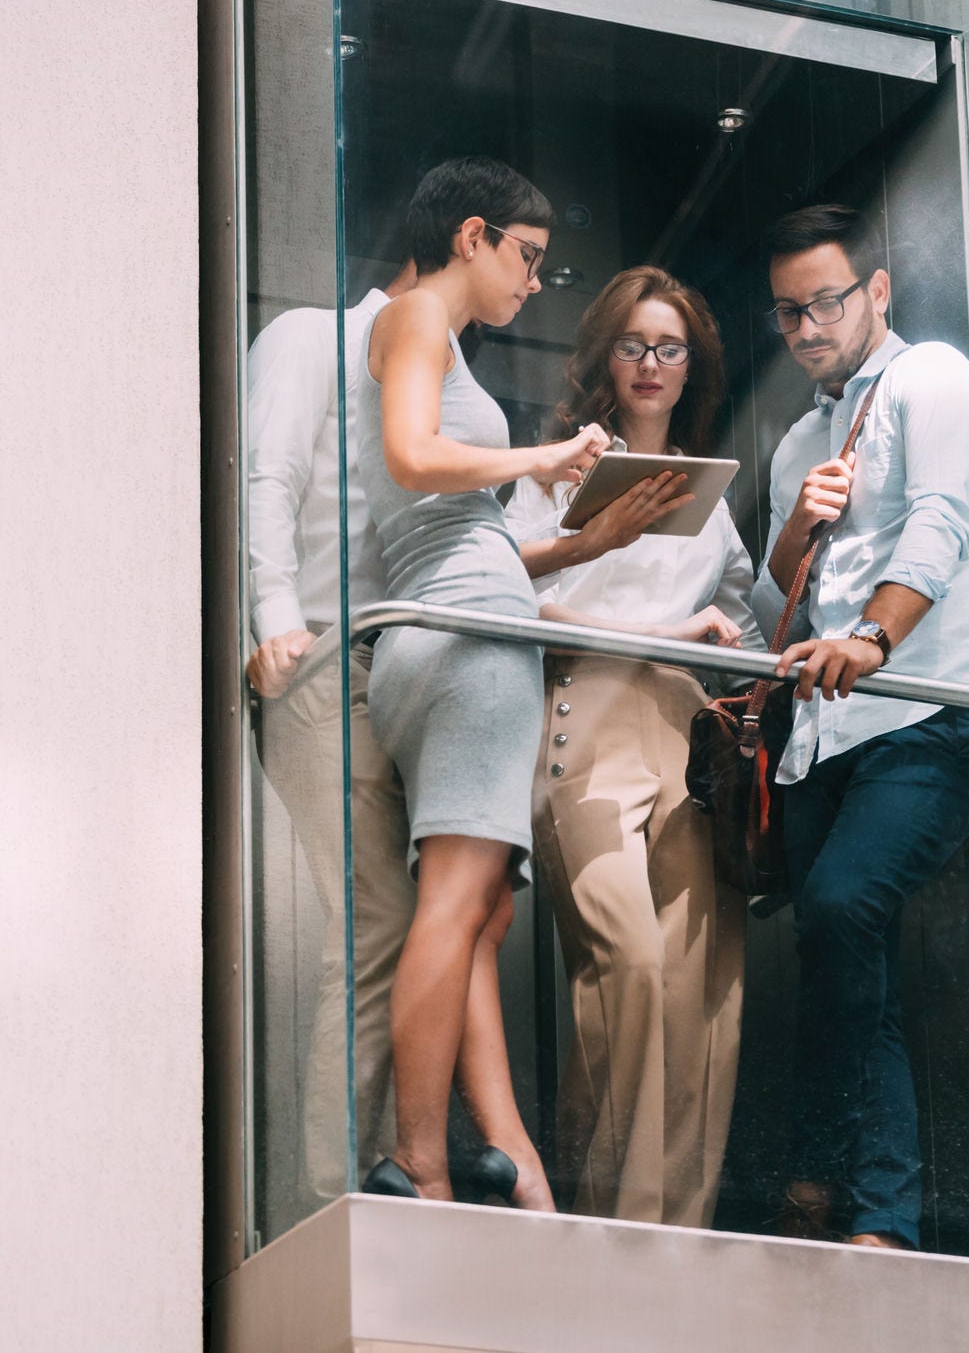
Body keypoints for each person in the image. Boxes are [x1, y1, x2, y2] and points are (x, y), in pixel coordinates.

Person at [750, 204, 969, 1251]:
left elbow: (940, 520)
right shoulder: (794, 445)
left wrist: (873, 637)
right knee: (837, 950)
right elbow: (788, 601)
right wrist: (795, 530)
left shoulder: (929, 379)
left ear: (876, 291)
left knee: (844, 906)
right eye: (786, 312)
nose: (808, 326)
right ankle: (857, 1211)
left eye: (825, 300)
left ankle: (856, 1197)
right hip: (822, 742)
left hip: (927, 717)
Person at [352, 157, 610, 1209]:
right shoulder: (416, 318)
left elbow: (441, 508)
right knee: (456, 904)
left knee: (477, 913)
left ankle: (505, 1160)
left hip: (444, 628)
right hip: (466, 641)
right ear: (471, 236)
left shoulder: (422, 337)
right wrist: (535, 463)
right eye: (527, 257)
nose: (533, 283)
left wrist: (584, 533)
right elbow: (414, 457)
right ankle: (421, 1162)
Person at [505, 265, 761, 1227]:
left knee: (702, 999)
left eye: (671, 348)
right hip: (586, 722)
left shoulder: (714, 500)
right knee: (633, 967)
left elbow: (744, 620)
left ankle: (673, 1236)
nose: (652, 364)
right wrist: (668, 634)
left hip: (684, 735)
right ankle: (602, 1213)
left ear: (692, 367)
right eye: (633, 344)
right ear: (604, 355)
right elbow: (512, 597)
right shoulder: (563, 468)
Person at [244, 261, 418, 1197]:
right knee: (369, 921)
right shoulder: (314, 338)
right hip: (318, 659)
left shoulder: (429, 380)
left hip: (393, 677)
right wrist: (275, 619)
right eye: (521, 256)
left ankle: (380, 1160)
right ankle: (332, 1184)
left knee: (393, 923)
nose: (527, 285)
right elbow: (266, 474)